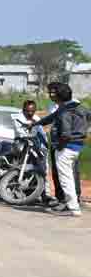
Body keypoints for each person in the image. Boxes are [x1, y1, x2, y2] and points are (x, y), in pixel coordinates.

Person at [30, 82, 86, 217]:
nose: (50, 95)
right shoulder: (78, 107)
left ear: (59, 95)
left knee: (66, 179)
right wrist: (37, 123)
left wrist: (60, 146)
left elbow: (65, 134)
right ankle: (72, 204)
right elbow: (51, 117)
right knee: (69, 177)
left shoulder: (64, 111)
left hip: (66, 147)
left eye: (52, 93)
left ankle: (72, 208)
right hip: (77, 146)